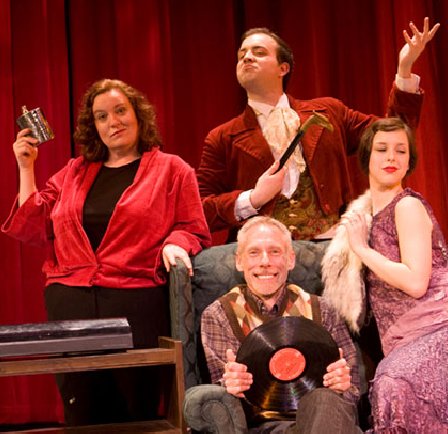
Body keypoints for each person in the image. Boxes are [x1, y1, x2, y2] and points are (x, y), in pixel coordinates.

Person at [2, 79, 211, 426]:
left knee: (135, 414)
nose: (112, 122)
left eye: (119, 111)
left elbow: (194, 228)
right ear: (93, 126)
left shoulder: (172, 169)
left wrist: (176, 243)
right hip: (70, 299)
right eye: (101, 116)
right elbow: (32, 225)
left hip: (135, 301)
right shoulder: (74, 172)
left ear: (138, 116)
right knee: (81, 411)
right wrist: (26, 168)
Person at [197, 18, 439, 242]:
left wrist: (404, 70)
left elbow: (395, 134)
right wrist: (252, 198)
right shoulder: (222, 138)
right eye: (242, 54)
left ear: (284, 68)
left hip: (332, 247)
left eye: (258, 53)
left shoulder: (329, 112)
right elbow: (200, 208)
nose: (247, 57)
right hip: (265, 258)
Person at [322, 117, 448, 432]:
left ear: (410, 161)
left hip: (435, 326)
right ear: (366, 157)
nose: (391, 157)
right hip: (403, 337)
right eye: (382, 149)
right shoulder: (365, 216)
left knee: (394, 381)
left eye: (400, 151)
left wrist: (362, 250)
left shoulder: (406, 207)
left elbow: (416, 282)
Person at [201, 216, 362, 433]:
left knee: (326, 400)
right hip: (266, 426)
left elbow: (354, 389)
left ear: (290, 259)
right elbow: (219, 392)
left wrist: (344, 386)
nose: (265, 261)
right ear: (239, 261)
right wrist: (230, 386)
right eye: (254, 252)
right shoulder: (219, 315)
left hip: (326, 416)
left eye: (275, 251)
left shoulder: (324, 309)